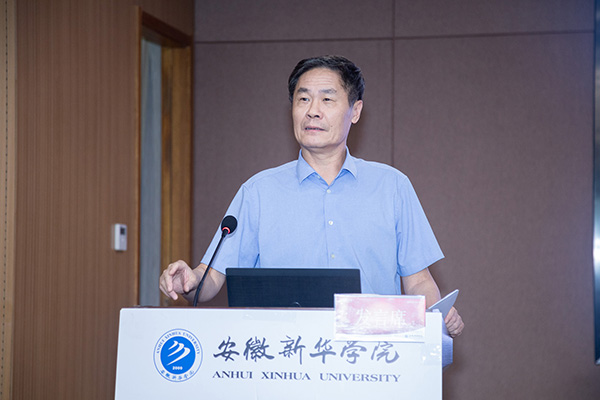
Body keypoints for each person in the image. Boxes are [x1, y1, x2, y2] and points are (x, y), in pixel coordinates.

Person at [159, 55, 464, 337]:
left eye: (327, 99)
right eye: (303, 99)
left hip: (373, 355)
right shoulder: (258, 192)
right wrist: (190, 281)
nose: (312, 110)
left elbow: (418, 281)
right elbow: (211, 278)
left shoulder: (392, 186)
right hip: (285, 355)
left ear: (355, 111)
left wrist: (435, 318)